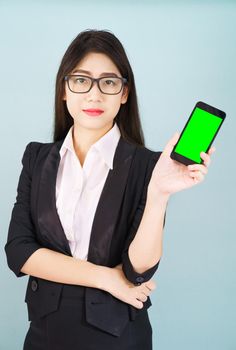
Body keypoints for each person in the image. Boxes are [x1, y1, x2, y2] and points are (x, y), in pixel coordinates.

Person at [5, 29, 215, 350]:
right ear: (64, 89)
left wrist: (159, 193)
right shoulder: (37, 157)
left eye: (109, 82)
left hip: (118, 337)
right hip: (44, 335)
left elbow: (136, 270)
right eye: (81, 80)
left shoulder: (149, 166)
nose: (94, 94)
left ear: (124, 93)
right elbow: (19, 251)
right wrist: (104, 278)